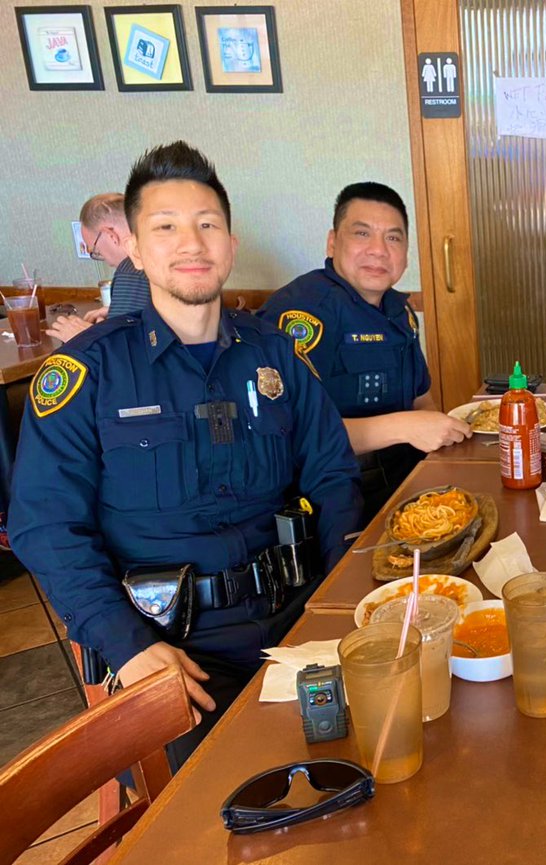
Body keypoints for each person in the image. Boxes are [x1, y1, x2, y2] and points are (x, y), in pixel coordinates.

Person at [9, 142, 361, 768]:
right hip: (173, 645)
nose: (191, 243)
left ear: (229, 243)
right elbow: (45, 526)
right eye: (165, 227)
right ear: (136, 250)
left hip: (296, 620)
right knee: (222, 815)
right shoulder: (87, 375)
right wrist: (128, 647)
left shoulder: (275, 354)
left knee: (379, 761)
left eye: (207, 225)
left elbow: (332, 473)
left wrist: (344, 601)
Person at [259, 182, 469, 523]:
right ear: (332, 242)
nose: (378, 250)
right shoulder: (301, 312)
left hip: (406, 480)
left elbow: (421, 400)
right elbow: (292, 436)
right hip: (334, 497)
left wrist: (441, 449)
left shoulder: (399, 310)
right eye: (362, 233)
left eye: (393, 238)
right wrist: (404, 427)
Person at [47, 192, 152, 342]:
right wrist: (116, 314)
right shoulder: (160, 256)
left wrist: (87, 335)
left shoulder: (131, 269)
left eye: (96, 250)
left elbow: (124, 351)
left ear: (111, 236)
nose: (107, 262)